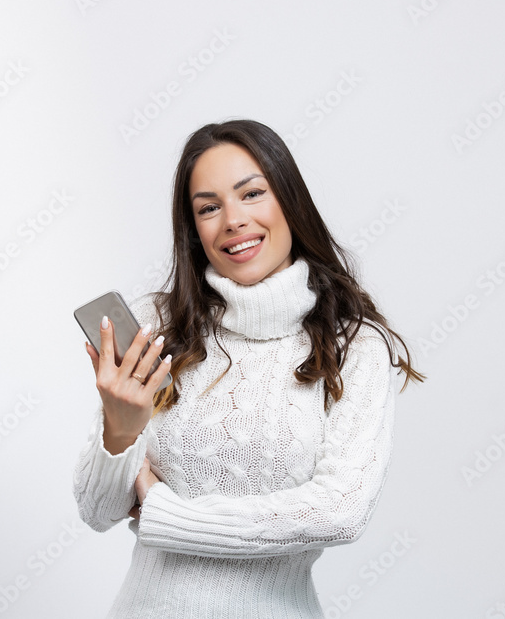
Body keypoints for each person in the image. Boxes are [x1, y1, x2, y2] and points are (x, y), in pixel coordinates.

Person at [73, 118, 425, 617]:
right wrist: (120, 426)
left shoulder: (353, 345)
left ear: (289, 201)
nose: (233, 220)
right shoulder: (158, 326)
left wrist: (165, 511)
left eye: (252, 194)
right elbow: (97, 510)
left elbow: (340, 510)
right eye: (208, 207)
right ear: (194, 230)